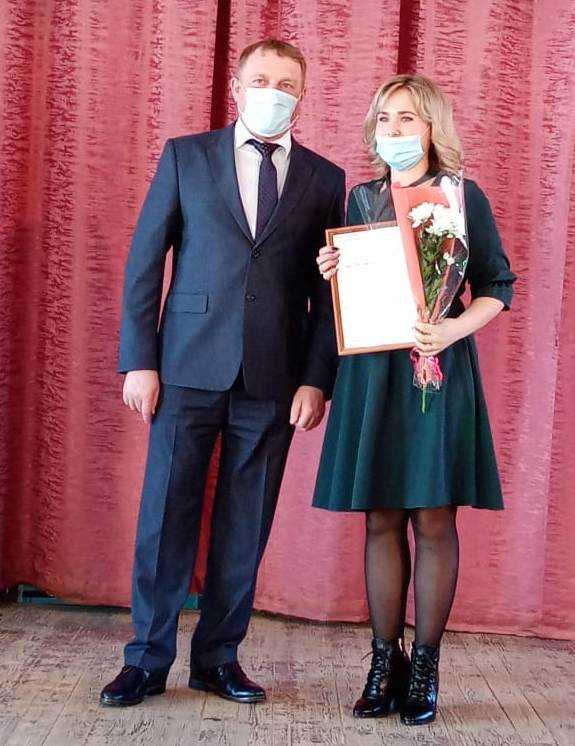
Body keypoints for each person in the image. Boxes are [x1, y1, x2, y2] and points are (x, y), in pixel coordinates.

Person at [100, 38, 345, 708]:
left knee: (246, 525)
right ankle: (146, 660)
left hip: (275, 378)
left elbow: (329, 293)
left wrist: (315, 379)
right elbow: (145, 262)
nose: (273, 92)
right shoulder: (186, 156)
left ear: (302, 95)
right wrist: (140, 360)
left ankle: (217, 659)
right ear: (237, 87)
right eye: (260, 79)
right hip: (184, 367)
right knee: (165, 517)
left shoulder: (325, 179)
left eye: (286, 83)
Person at [314, 74, 515, 726]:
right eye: (384, 119)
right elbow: (350, 293)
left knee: (431, 518)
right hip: (372, 375)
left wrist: (452, 329)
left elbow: (496, 286)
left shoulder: (460, 196)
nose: (394, 130)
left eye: (406, 118)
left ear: (432, 127)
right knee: (379, 517)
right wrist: (334, 272)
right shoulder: (361, 197)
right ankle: (384, 662)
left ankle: (425, 666)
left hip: (436, 370)